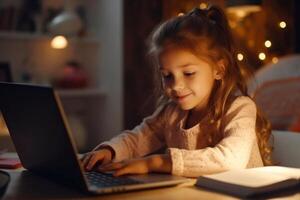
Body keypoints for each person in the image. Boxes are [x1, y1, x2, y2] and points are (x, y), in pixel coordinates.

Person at [82, 5, 272, 178]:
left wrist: (154, 162)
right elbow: (138, 137)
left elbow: (231, 159)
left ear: (219, 70)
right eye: (167, 75)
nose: (175, 85)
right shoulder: (171, 113)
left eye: (188, 73)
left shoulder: (239, 108)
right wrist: (110, 151)